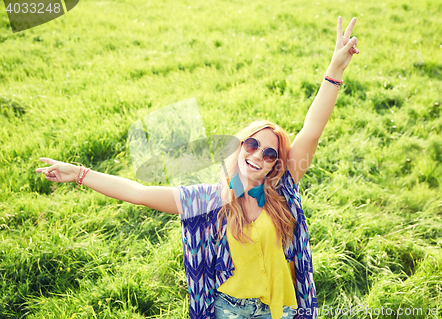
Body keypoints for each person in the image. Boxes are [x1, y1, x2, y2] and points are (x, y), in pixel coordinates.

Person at [36, 16, 359, 319]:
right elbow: (139, 193)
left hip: (281, 309)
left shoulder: (281, 190)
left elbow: (312, 129)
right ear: (239, 147)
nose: (258, 155)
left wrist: (335, 69)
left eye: (270, 153)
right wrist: (80, 174)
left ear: (276, 165)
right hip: (227, 309)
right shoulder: (209, 201)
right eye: (252, 144)